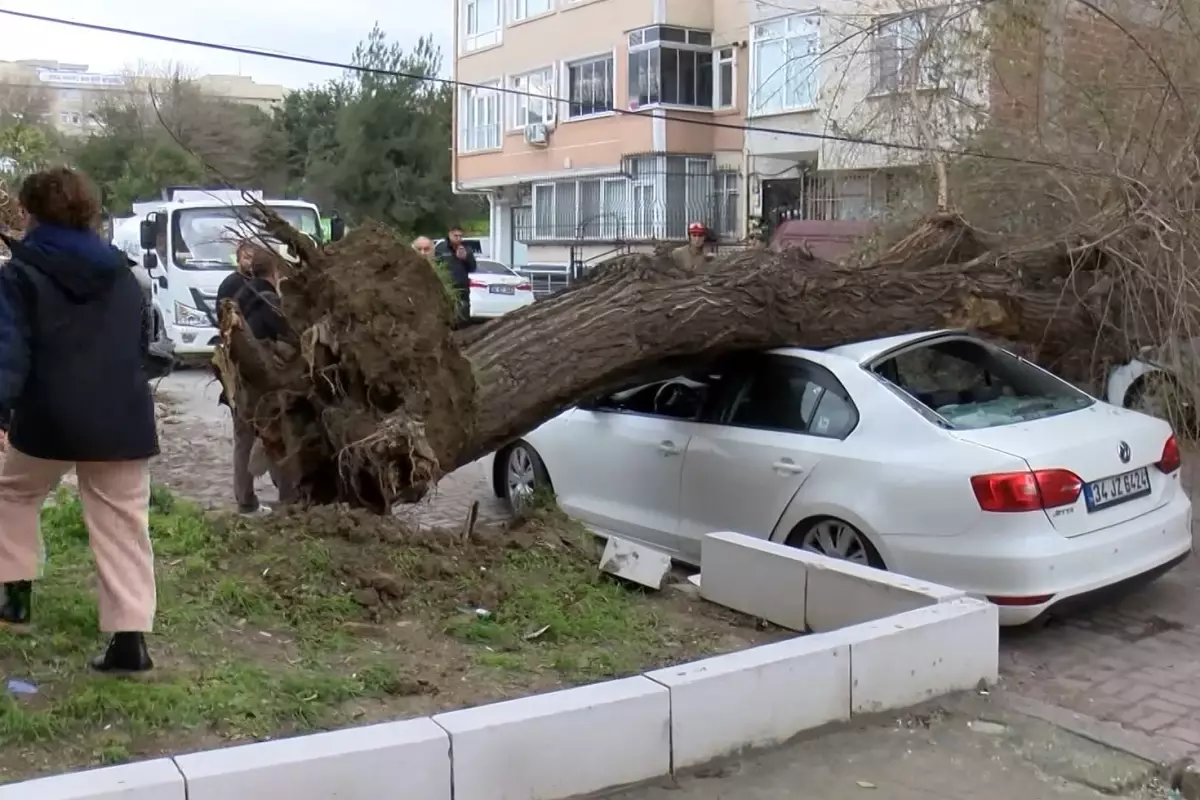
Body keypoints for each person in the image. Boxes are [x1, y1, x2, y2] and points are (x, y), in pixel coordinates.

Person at [0, 167, 159, 673]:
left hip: (48, 417)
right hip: (122, 417)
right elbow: (143, 347)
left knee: (13, 493)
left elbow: (8, 352)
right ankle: (129, 642)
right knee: (124, 522)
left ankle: (14, 597)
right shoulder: (124, 273)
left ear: (29, 212)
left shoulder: (18, 274)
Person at [216, 242, 293, 515]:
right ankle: (289, 499)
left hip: (239, 383)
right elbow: (290, 337)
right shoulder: (270, 302)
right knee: (278, 440)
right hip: (263, 389)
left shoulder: (241, 294)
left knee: (244, 441)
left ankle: (246, 500)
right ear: (276, 271)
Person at [433, 226, 475, 329]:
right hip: (447, 286)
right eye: (455, 236)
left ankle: (463, 330)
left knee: (464, 310)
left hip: (462, 286)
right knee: (446, 310)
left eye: (460, 236)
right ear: (449, 234)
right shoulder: (441, 248)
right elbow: (436, 266)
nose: (458, 238)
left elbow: (473, 268)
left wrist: (465, 258)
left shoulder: (466, 248)